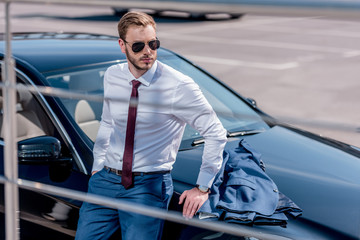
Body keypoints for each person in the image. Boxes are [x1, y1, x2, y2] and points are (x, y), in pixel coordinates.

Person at [75, 11, 227, 240]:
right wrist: (98, 167)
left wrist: (203, 187)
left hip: (147, 187)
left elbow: (215, 133)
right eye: (138, 46)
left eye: (153, 44)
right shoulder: (112, 75)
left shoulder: (179, 85)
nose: (148, 52)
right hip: (105, 181)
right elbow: (108, 122)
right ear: (122, 45)